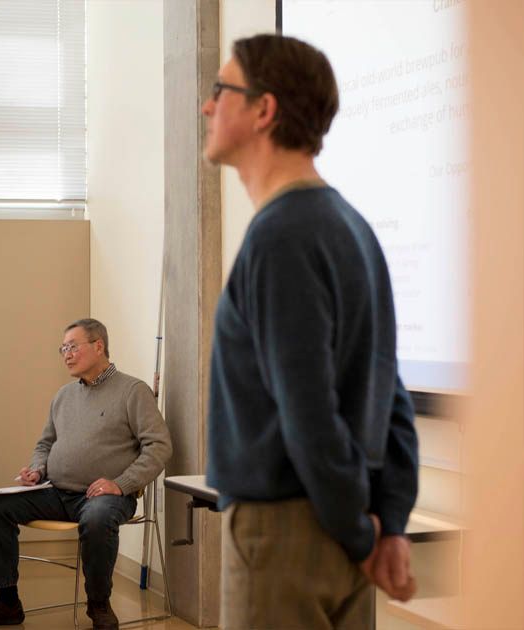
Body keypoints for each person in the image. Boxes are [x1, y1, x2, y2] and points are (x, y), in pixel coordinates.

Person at [202, 34, 420, 629]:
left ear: (263, 110)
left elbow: (309, 413)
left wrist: (359, 530)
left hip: (286, 534)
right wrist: (387, 524)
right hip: (342, 528)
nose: (207, 105)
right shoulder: (351, 226)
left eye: (221, 90)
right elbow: (390, 392)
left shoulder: (282, 236)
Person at [0, 319, 172, 630]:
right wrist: (37, 469)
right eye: (62, 348)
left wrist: (121, 485)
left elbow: (159, 447)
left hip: (106, 497)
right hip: (56, 491)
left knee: (97, 518)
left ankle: (99, 604)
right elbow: (45, 444)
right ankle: (6, 602)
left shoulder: (132, 391)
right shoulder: (63, 396)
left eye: (72, 346)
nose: (66, 354)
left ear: (99, 346)